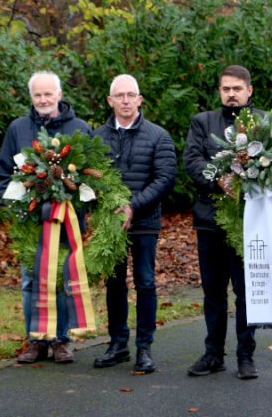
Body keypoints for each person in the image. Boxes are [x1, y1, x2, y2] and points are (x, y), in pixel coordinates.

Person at [0, 71, 91, 364]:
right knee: (29, 282)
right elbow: (3, 174)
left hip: (65, 223)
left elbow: (90, 177)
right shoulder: (18, 128)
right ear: (31, 97)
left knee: (61, 281)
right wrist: (17, 205)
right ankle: (36, 340)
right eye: (37, 95)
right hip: (30, 223)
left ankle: (61, 341)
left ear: (60, 94)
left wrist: (79, 209)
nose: (43, 100)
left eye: (48, 94)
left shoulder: (80, 129)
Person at [183, 65, 264, 379]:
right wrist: (218, 179)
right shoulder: (203, 122)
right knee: (213, 292)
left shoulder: (263, 124)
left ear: (249, 90)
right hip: (210, 220)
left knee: (245, 293)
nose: (231, 94)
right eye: (226, 89)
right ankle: (213, 354)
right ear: (220, 91)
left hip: (249, 222)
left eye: (237, 89)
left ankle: (246, 356)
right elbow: (192, 161)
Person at [92, 74, 177, 374]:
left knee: (145, 283)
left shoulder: (158, 136)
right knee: (114, 284)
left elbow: (165, 179)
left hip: (144, 222)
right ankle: (118, 344)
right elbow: (90, 179)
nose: (126, 101)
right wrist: (111, 209)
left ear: (140, 100)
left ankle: (144, 347)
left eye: (131, 95)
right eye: (120, 95)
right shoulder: (96, 137)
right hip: (111, 224)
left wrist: (132, 206)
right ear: (110, 100)